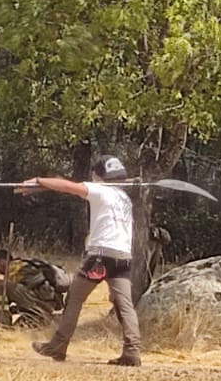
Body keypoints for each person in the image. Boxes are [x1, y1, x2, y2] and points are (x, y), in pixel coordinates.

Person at [21, 155, 141, 366]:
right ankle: (132, 351)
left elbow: (68, 187)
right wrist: (43, 186)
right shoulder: (124, 198)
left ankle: (58, 346)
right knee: (125, 305)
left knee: (75, 299)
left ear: (98, 176)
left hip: (100, 256)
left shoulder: (99, 190)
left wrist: (39, 181)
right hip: (122, 257)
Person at [0, 248, 70, 330]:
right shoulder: (26, 264)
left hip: (39, 302)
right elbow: (7, 301)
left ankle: (1, 322)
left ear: (2, 262)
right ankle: (51, 319)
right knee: (16, 329)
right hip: (46, 307)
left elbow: (5, 297)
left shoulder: (14, 267)